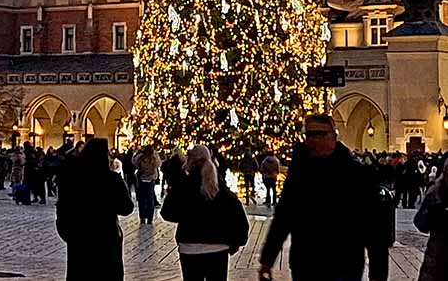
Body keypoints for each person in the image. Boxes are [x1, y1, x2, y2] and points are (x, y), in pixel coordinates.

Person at [258, 115, 389, 281]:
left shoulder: (354, 172)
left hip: (344, 263)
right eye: (309, 134)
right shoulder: (300, 172)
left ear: (333, 137)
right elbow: (284, 217)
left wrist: (378, 273)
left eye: (320, 134)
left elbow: (374, 226)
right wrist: (267, 260)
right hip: (306, 262)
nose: (314, 139)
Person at [162, 145, 249, 281]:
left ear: (190, 162)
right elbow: (237, 215)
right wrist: (236, 242)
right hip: (217, 248)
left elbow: (168, 213)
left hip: (190, 247)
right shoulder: (220, 188)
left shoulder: (183, 186)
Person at [56, 138, 133, 281]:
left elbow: (62, 208)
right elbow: (126, 208)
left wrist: (68, 234)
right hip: (106, 237)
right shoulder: (112, 179)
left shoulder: (72, 178)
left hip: (80, 238)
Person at [414, 164, 448, 281]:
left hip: (438, 252)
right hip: (438, 253)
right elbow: (420, 222)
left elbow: (421, 223)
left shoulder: (435, 192)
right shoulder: (435, 192)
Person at [133, 144, 161, 224]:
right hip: (151, 179)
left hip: (142, 178)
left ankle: (142, 217)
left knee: (142, 199)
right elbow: (159, 164)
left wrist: (139, 153)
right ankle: (150, 218)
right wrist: (155, 153)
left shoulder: (142, 157)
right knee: (150, 199)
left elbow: (134, 161)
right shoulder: (154, 158)